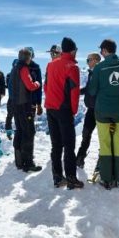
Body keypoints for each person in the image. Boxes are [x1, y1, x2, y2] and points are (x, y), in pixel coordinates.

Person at [89, 38, 119, 188]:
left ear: (104, 50)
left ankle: (106, 177)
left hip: (102, 111)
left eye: (101, 51)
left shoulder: (99, 68)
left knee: (105, 143)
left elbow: (92, 90)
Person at [45, 37, 81, 188]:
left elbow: (46, 87)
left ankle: (58, 177)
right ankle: (71, 178)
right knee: (69, 144)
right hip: (64, 109)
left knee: (56, 144)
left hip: (50, 108)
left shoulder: (50, 64)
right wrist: (73, 111)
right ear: (73, 51)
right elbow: (74, 92)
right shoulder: (72, 67)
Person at [8, 47, 42, 172]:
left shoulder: (14, 68)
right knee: (29, 132)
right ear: (28, 58)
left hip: (16, 105)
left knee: (20, 131)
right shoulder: (24, 69)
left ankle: (19, 161)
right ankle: (28, 163)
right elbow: (31, 86)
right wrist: (37, 83)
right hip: (25, 106)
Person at [75, 52, 100, 169]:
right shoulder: (91, 73)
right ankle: (80, 158)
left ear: (95, 60)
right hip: (91, 109)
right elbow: (89, 88)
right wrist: (78, 92)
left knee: (101, 136)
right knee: (86, 134)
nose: (87, 62)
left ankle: (101, 164)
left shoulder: (100, 72)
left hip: (100, 110)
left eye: (88, 60)